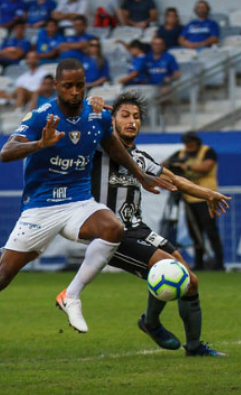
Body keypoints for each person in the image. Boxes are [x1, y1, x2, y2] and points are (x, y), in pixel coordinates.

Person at [0, 58, 174, 361]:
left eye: (80, 85)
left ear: (86, 85)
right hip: (41, 207)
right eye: (68, 86)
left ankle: (70, 295)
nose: (75, 91)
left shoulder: (95, 115)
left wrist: (141, 176)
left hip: (78, 202)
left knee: (113, 227)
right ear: (56, 86)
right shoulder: (41, 116)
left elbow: (114, 148)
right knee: (1, 277)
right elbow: (6, 152)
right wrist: (39, 145)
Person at [92, 91, 229, 356]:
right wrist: (91, 107)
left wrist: (208, 193)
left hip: (137, 227)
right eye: (125, 115)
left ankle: (187, 342)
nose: (132, 121)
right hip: (110, 233)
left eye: (136, 116)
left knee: (191, 280)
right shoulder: (98, 146)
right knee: (169, 269)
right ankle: (154, 324)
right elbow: (77, 123)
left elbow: (177, 180)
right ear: (112, 119)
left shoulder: (141, 158)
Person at [164, 132, 224, 271]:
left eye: (191, 145)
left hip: (205, 197)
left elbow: (206, 167)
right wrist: (171, 165)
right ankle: (199, 262)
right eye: (187, 145)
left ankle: (219, 262)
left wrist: (187, 167)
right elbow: (164, 165)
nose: (189, 148)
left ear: (197, 143)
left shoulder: (207, 151)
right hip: (189, 198)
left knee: (210, 231)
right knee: (194, 232)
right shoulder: (181, 153)